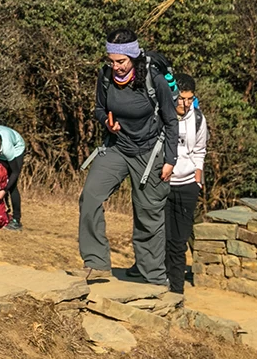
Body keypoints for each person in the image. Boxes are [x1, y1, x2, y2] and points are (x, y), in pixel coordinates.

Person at [77, 29, 179, 284]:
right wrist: (107, 123)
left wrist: (170, 160)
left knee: (148, 216)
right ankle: (96, 262)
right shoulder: (105, 77)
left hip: (149, 152)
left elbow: (170, 120)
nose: (116, 67)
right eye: (112, 61)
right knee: (89, 197)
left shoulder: (154, 80)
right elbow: (99, 109)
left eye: (121, 61)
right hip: (117, 147)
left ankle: (154, 279)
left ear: (132, 57)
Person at [165, 73, 207, 297]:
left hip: (188, 184)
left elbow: (200, 150)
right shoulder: (162, 114)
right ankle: (158, 285)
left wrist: (197, 180)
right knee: (163, 237)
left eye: (190, 99)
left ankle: (176, 291)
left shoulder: (198, 118)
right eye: (181, 98)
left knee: (180, 241)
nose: (185, 104)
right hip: (164, 184)